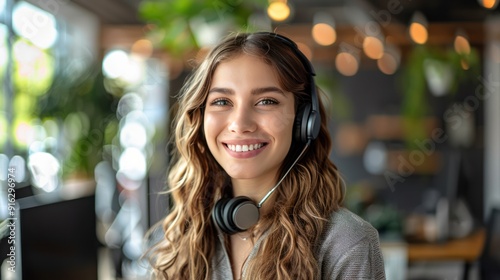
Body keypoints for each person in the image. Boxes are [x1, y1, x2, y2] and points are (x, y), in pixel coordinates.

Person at [148, 32, 385, 279]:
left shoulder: (346, 243)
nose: (240, 124)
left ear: (303, 121)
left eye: (266, 101)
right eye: (221, 101)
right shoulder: (175, 239)